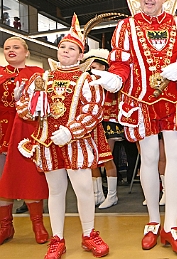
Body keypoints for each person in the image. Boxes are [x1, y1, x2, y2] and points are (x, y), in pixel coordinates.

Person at [90, 0, 177, 256]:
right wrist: (115, 78)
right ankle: (153, 221)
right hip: (141, 102)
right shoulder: (126, 27)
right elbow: (121, 61)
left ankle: (171, 224)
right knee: (150, 160)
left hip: (176, 100)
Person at [16, 14, 109, 259]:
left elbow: (94, 111)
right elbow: (28, 111)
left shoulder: (88, 80)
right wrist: (23, 102)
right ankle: (58, 239)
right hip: (47, 144)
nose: (65, 51)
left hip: (76, 143)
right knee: (55, 192)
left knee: (84, 190)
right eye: (62, 47)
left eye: (72, 48)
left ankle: (89, 234)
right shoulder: (43, 79)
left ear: (81, 55)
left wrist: (70, 131)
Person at [0, 36, 49, 245]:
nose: (11, 50)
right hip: (2, 131)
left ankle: (37, 224)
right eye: (7, 47)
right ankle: (5, 226)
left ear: (26, 52)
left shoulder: (38, 74)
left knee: (29, 178)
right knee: (2, 179)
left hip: (27, 132)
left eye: (16, 47)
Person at [83, 48, 124, 209]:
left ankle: (112, 195)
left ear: (104, 67)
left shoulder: (110, 82)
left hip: (107, 122)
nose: (93, 68)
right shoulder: (86, 82)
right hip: (90, 123)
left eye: (96, 66)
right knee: (92, 160)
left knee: (107, 158)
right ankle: (97, 194)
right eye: (91, 66)